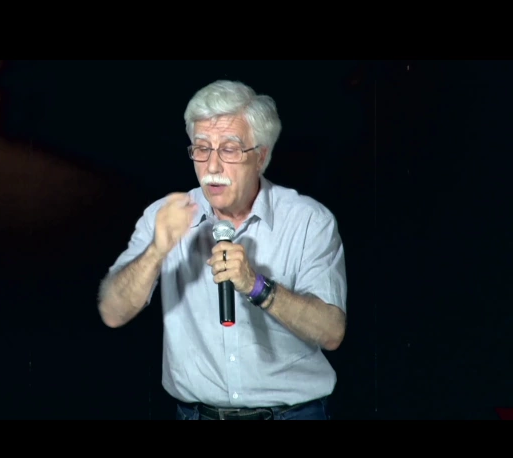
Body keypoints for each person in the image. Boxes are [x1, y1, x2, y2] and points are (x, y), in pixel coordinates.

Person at [97, 79, 347, 420]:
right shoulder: (164, 216)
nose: (212, 168)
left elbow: (332, 332)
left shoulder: (308, 221)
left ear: (261, 157)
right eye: (202, 149)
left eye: (229, 149)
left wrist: (257, 286)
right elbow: (112, 312)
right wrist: (156, 251)